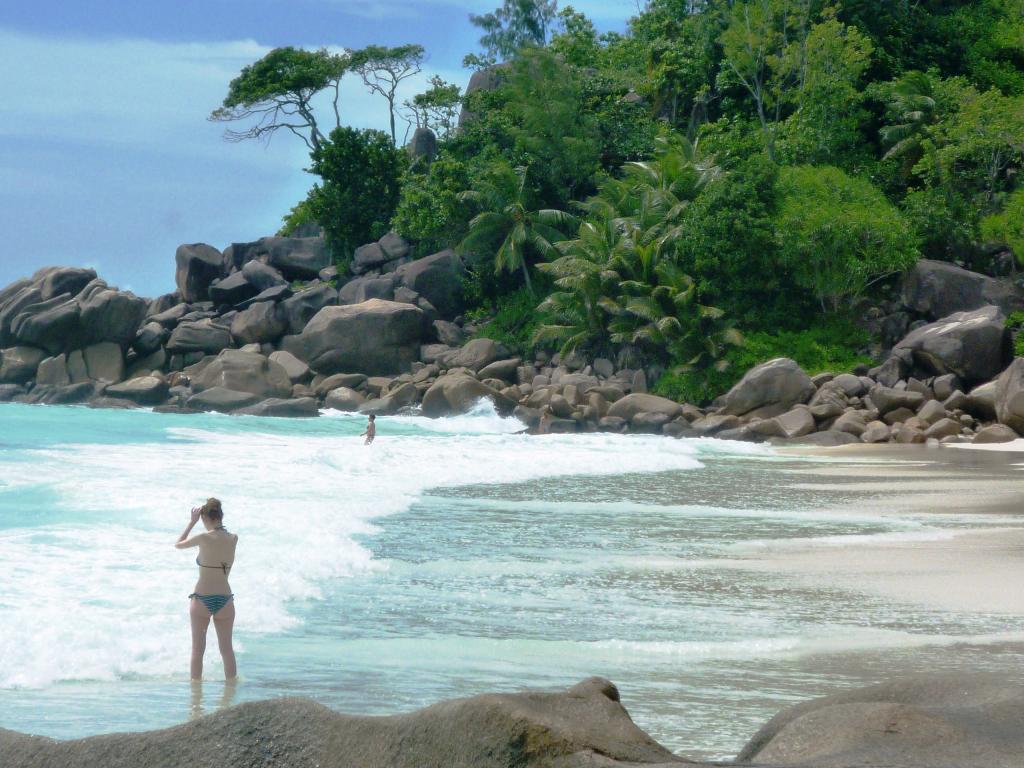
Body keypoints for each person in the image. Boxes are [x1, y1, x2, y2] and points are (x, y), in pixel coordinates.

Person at [175, 498, 238, 681]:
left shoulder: (203, 538)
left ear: (204, 517)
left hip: (202, 599)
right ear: (220, 515)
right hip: (225, 600)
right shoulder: (233, 539)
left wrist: (191, 522)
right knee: (227, 650)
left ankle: (196, 701)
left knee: (197, 650)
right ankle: (231, 693)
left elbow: (178, 544)